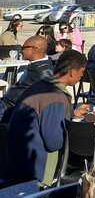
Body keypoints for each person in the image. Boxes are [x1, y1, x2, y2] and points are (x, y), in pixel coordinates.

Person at [2, 50, 89, 185]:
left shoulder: (41, 85)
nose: (81, 76)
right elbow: (54, 142)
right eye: (82, 72)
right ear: (72, 72)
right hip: (34, 171)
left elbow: (44, 116)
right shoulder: (55, 97)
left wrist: (71, 113)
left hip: (14, 159)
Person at [0, 36, 54, 120]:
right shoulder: (42, 65)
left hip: (11, 111)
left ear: (35, 48)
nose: (21, 51)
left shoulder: (41, 72)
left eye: (24, 48)